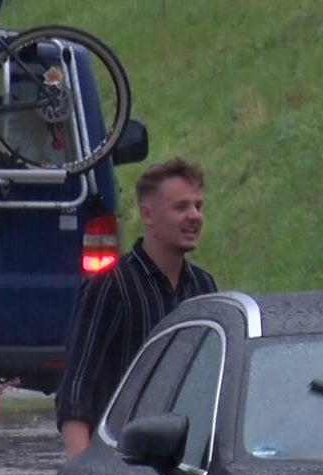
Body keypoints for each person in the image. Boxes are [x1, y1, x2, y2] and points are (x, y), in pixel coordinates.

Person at [55, 156, 218, 457]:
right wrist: (83, 474)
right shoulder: (110, 286)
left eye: (199, 206)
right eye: (181, 207)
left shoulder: (203, 288)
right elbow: (76, 389)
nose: (194, 215)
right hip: (120, 462)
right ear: (148, 215)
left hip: (185, 467)